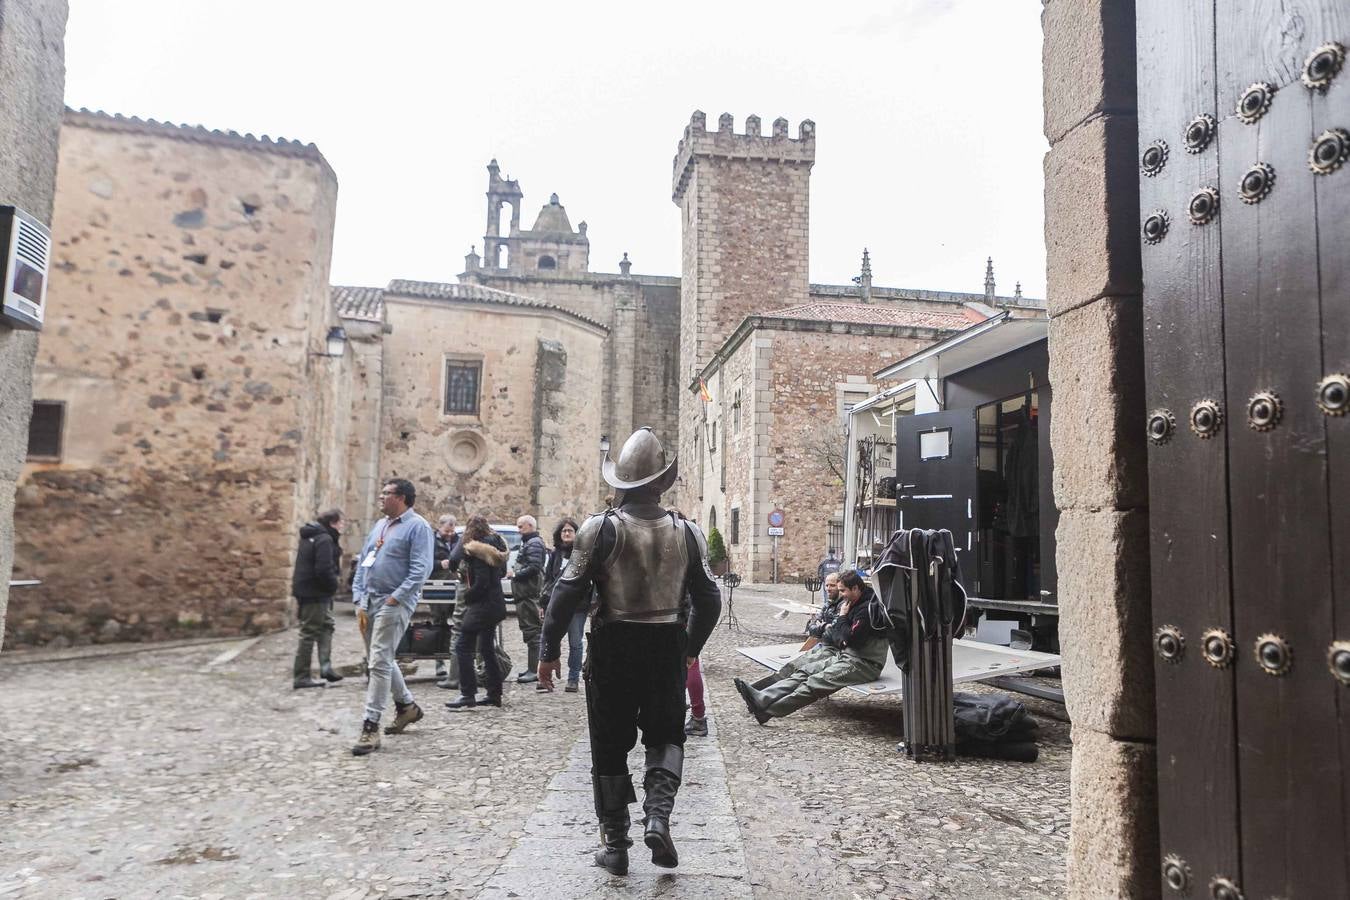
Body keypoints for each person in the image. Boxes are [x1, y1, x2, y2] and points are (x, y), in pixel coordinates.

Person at [538, 427, 721, 875]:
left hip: (614, 644)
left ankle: (615, 843)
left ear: (621, 484)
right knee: (666, 735)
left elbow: (565, 594)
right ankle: (658, 817)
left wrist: (548, 651)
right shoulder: (689, 532)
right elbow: (710, 600)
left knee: (609, 743)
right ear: (662, 482)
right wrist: (690, 648)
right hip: (666, 643)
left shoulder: (599, 529)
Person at [733, 568, 888, 723]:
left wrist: (842, 618)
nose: (841, 595)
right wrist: (841, 628)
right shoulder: (852, 602)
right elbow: (841, 635)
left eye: (843, 590)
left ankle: (769, 711)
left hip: (865, 663)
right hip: (846, 655)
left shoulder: (867, 608)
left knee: (816, 682)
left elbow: (850, 639)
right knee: (804, 672)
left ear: (855, 588)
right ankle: (763, 697)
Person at [349, 478, 434, 756]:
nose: (381, 497)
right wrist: (358, 594)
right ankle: (407, 707)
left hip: (393, 603)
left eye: (386, 493)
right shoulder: (380, 525)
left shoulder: (417, 527)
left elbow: (421, 568)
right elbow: (365, 560)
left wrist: (397, 597)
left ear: (402, 498)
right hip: (369, 601)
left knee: (378, 662)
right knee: (381, 658)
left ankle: (370, 726)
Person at [445, 516, 509, 710]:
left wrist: (469, 597)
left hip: (482, 606)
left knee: (463, 646)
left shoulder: (478, 549)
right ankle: (494, 693)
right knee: (487, 649)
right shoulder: (497, 546)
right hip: (495, 604)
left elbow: (481, 581)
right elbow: (500, 573)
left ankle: (467, 693)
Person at [291, 508, 345, 689]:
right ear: (332, 523)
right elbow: (323, 569)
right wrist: (333, 586)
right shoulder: (324, 539)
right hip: (315, 592)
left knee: (327, 625)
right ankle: (301, 676)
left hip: (311, 590)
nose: (342, 525)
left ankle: (326, 667)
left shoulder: (314, 536)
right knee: (309, 632)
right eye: (340, 522)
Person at [540, 517, 585, 693]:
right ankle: (546, 677)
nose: (566, 533)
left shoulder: (581, 553)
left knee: (575, 642)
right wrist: (543, 602)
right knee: (551, 639)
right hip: (555, 604)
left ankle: (573, 678)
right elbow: (548, 579)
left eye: (570, 531)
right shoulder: (555, 555)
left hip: (577, 606)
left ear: (576, 534)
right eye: (564, 531)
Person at [509, 514, 547, 684]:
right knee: (530, 632)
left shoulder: (534, 544)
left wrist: (516, 575)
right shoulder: (529, 543)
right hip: (524, 595)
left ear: (530, 526)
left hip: (529, 596)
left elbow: (534, 567)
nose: (519, 530)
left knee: (533, 633)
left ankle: (535, 670)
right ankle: (532, 668)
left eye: (521, 527)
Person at [431, 515, 459, 682]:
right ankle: (439, 663)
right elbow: (425, 561)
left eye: (452, 530)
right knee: (439, 624)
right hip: (437, 587)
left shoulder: (458, 540)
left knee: (458, 623)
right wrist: (439, 564)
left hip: (455, 586)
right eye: (446, 531)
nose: (449, 534)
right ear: (440, 527)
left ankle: (455, 663)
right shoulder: (431, 541)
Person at [802, 571, 843, 650]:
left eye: (832, 585)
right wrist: (824, 627)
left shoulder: (843, 605)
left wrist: (820, 627)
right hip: (824, 642)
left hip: (835, 647)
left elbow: (833, 629)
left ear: (840, 586)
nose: (828, 589)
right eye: (827, 585)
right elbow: (812, 625)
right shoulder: (827, 604)